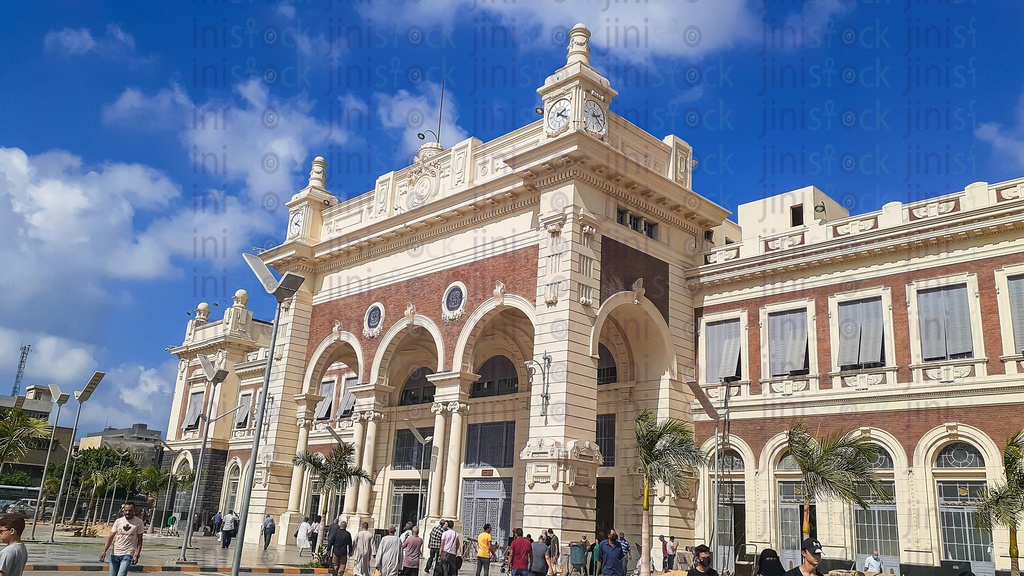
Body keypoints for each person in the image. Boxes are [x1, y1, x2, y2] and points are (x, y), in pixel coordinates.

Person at [99, 503, 145, 576]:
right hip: (115, 553)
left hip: (128, 553)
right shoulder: (118, 521)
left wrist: (137, 555)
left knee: (121, 574)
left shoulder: (139, 522)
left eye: (130, 511)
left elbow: (140, 540)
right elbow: (110, 538)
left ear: (134, 511)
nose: (127, 513)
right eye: (126, 510)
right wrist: (104, 551)